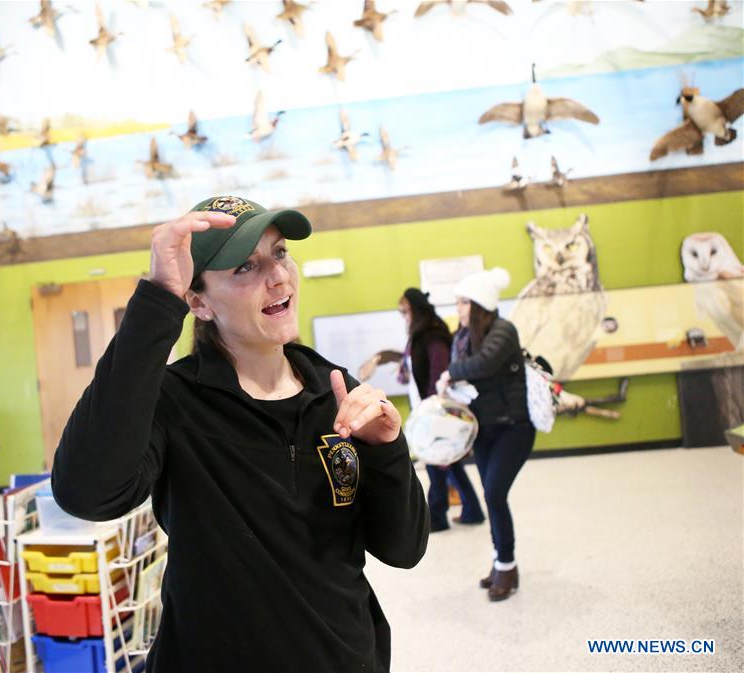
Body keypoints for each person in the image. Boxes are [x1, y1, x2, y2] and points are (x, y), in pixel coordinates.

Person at [51, 195, 430, 672]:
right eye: (245, 268)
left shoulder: (333, 394)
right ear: (199, 302)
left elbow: (404, 549)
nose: (278, 277)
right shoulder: (175, 402)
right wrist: (157, 300)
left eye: (279, 253)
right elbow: (86, 493)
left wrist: (387, 451)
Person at [438, 267, 535, 602]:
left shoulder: (504, 331)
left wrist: (450, 373)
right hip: (483, 430)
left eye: (463, 302)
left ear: (479, 304)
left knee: (494, 495)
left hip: (514, 428)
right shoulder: (462, 337)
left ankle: (505, 564)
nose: (459, 309)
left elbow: (484, 364)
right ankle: (502, 564)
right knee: (494, 498)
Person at [360, 288, 485, 532]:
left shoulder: (433, 335)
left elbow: (437, 372)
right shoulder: (417, 336)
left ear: (415, 309)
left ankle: (438, 516)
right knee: (447, 462)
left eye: (405, 311)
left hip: (435, 409)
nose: (403, 316)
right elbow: (410, 369)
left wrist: (433, 410)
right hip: (426, 409)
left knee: (435, 461)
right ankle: (472, 510)